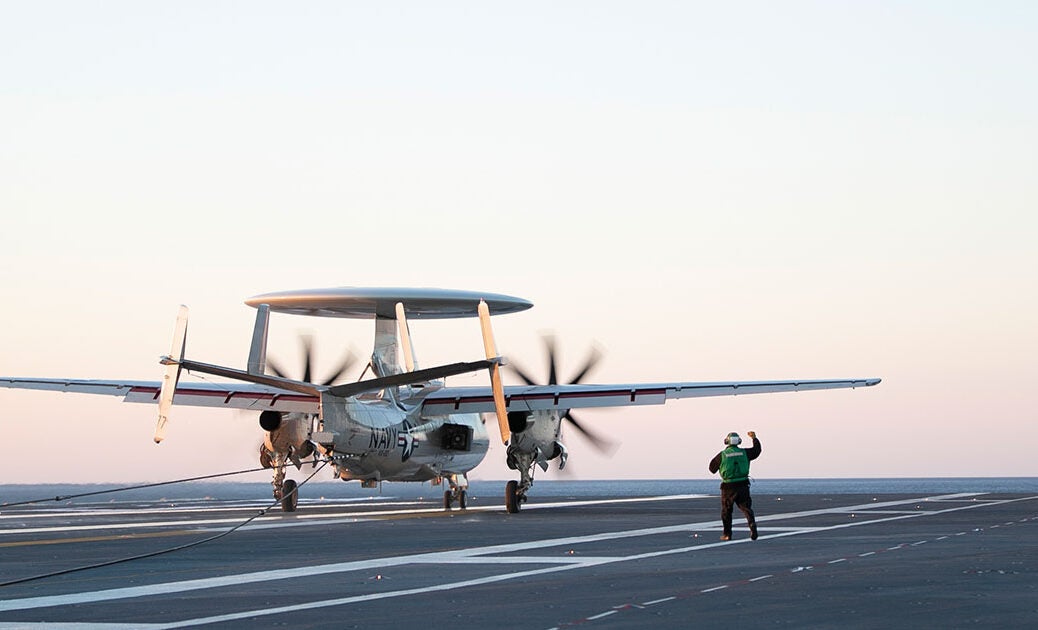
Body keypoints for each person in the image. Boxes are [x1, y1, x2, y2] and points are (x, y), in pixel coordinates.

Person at [708, 430, 761, 541]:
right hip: (743, 484)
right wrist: (754, 438)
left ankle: (727, 534)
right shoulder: (745, 453)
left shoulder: (722, 455)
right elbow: (757, 450)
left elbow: (712, 469)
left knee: (726, 511)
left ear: (727, 441)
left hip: (728, 486)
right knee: (746, 508)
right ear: (738, 441)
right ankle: (752, 525)